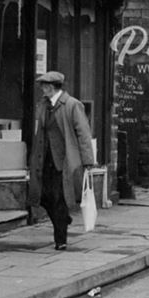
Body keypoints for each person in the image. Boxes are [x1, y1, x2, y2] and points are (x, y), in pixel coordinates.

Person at [28, 71, 96, 250]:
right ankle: (64, 218)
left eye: (44, 86)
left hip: (64, 161)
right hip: (44, 159)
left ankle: (61, 240)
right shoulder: (43, 104)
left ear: (51, 87)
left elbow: (83, 133)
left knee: (57, 198)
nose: (42, 89)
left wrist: (88, 160)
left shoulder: (72, 105)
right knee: (42, 197)